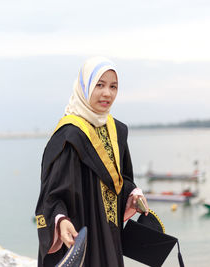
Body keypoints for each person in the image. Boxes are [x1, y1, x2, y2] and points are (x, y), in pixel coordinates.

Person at [35, 57, 149, 267]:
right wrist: (60, 220)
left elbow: (121, 179)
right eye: (100, 85)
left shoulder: (117, 131)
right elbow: (52, 194)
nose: (107, 93)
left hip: (110, 234)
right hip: (82, 232)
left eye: (113, 86)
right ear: (84, 87)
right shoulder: (70, 135)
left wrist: (132, 194)